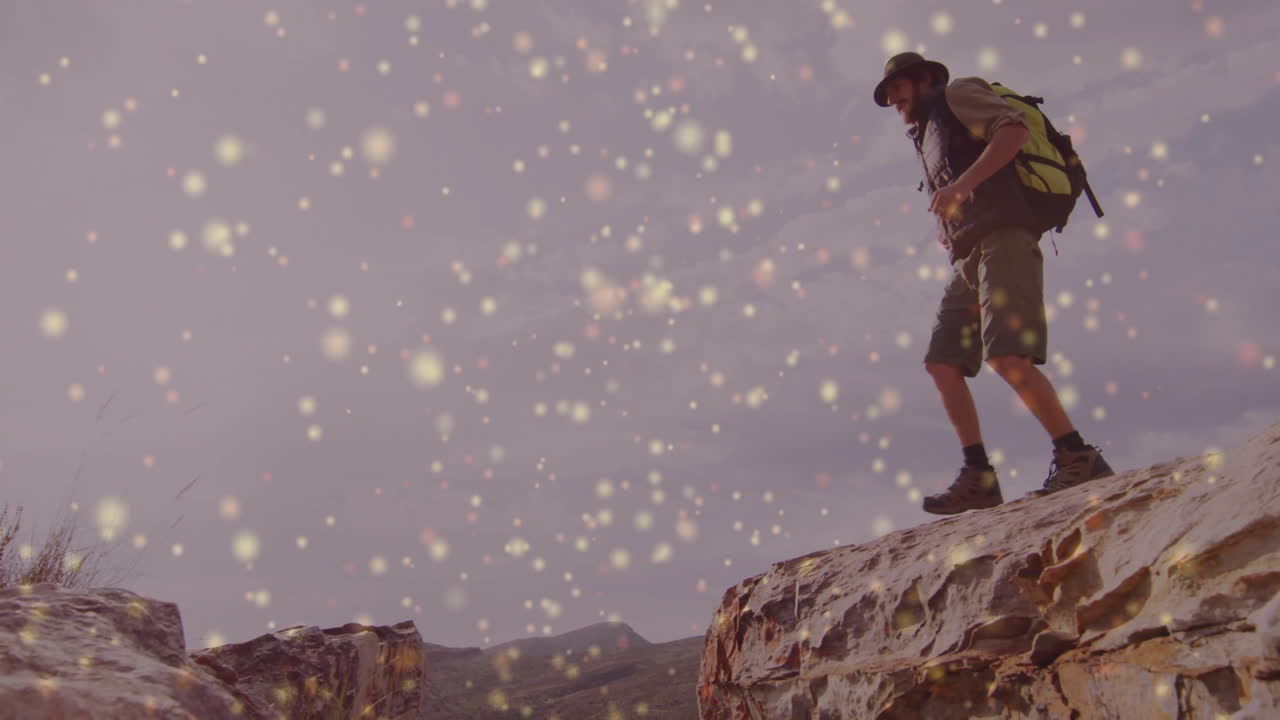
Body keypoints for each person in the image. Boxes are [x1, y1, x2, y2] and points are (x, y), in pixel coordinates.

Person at [872, 52, 1114, 515]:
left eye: (898, 87)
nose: (893, 99)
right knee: (942, 362)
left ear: (924, 80)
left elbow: (1015, 130)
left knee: (1006, 355)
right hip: (968, 256)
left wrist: (961, 187)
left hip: (1005, 238)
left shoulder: (958, 93)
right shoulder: (924, 134)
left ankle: (1077, 455)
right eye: (888, 95)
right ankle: (978, 476)